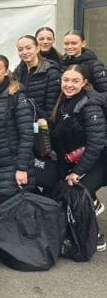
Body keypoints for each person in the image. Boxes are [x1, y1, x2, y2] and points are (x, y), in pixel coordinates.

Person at [48, 65, 106, 218]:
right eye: (66, 80)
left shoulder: (90, 106)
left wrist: (77, 172)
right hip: (73, 156)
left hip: (98, 160)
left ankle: (94, 238)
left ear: (84, 82)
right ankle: (93, 203)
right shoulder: (63, 99)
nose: (69, 85)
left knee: (77, 194)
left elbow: (96, 144)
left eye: (75, 81)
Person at [0, 55, 35, 206]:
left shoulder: (16, 97)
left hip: (12, 167)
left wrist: (21, 168)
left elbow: (27, 134)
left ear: (6, 71)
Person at [13, 35, 61, 119]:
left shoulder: (51, 72)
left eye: (28, 48)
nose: (24, 52)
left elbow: (52, 107)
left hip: (42, 123)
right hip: (22, 121)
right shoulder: (18, 71)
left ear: (37, 48)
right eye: (20, 49)